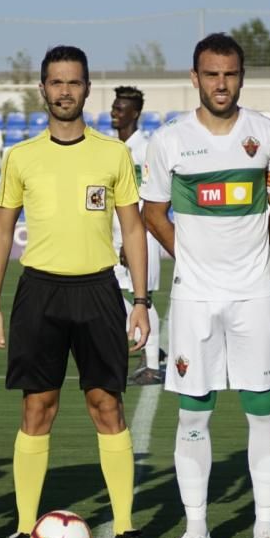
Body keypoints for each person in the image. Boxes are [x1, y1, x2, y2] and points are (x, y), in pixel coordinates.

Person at [0, 45, 151, 538]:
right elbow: (3, 229)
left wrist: (140, 301)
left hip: (99, 291)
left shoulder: (113, 154)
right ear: (43, 89)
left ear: (86, 89)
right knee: (38, 407)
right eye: (55, 82)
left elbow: (133, 227)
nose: (64, 91)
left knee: (107, 405)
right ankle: (21, 529)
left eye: (73, 83)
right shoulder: (21, 157)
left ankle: (124, 529)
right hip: (40, 292)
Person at [141, 33, 270, 538]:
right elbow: (153, 213)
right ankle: (197, 529)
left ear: (242, 77)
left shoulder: (267, 135)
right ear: (195, 78)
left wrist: (255, 252)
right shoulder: (169, 141)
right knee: (193, 414)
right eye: (211, 74)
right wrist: (189, 257)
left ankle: (264, 529)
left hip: (254, 292)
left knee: (263, 412)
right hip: (195, 297)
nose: (221, 83)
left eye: (229, 74)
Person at [110, 85, 166, 385]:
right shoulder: (111, 147)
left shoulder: (146, 148)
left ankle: (153, 365)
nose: (114, 113)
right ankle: (153, 347)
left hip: (141, 233)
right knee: (111, 292)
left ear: (135, 114)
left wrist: (136, 237)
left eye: (120, 109)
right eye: (114, 107)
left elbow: (149, 196)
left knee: (145, 298)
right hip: (114, 235)